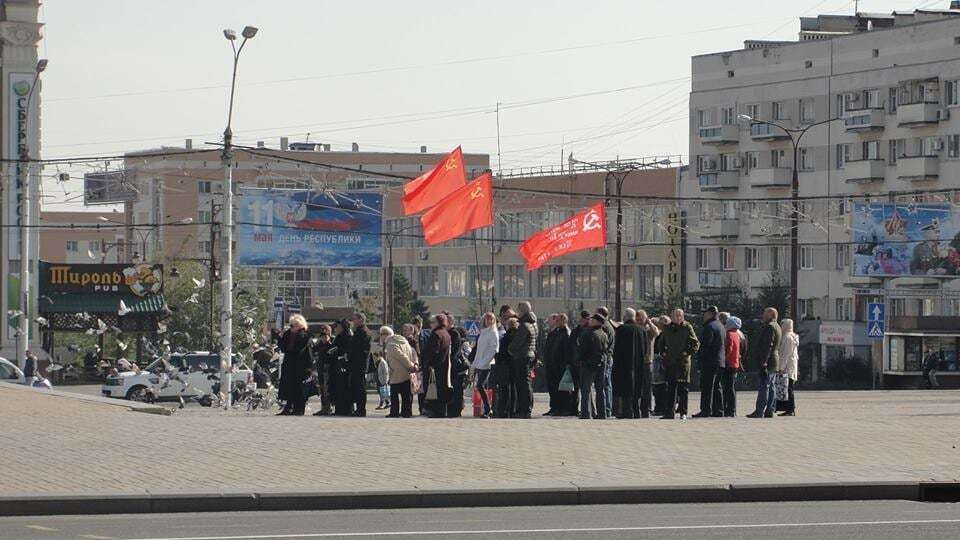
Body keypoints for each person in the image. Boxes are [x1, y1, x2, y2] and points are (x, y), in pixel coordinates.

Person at [660, 309, 699, 420]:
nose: (677, 317)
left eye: (679, 316)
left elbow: (695, 343)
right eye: (675, 315)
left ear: (683, 317)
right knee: (671, 388)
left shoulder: (687, 327)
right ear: (671, 317)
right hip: (670, 362)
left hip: (683, 362)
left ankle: (683, 412)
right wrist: (663, 353)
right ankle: (669, 412)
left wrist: (687, 353)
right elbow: (661, 342)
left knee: (683, 389)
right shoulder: (667, 328)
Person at [276, 315, 314, 416]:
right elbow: (283, 347)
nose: (291, 327)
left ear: (300, 325)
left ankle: (299, 409)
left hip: (301, 365)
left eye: (294, 325)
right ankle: (288, 407)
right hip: (289, 364)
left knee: (300, 388)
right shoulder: (288, 334)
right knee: (288, 386)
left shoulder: (304, 335)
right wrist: (280, 338)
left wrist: (309, 367)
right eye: (291, 325)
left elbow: (307, 352)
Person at [748, 307, 782, 419]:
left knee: (764, 386)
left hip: (768, 360)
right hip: (774, 360)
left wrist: (763, 362)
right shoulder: (777, 326)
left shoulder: (770, 327)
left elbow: (768, 346)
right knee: (771, 386)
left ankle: (759, 411)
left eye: (765, 314)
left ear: (771, 315)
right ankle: (770, 410)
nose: (762, 316)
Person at [612, 308, 645, 419]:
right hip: (639, 364)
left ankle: (627, 412)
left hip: (624, 364)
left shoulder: (622, 329)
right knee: (636, 388)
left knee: (626, 389)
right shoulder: (642, 330)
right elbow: (645, 348)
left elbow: (617, 349)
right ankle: (637, 412)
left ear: (625, 317)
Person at [507, 301, 538, 419]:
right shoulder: (533, 324)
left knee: (523, 384)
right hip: (528, 355)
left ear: (522, 311)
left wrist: (510, 349)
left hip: (522, 356)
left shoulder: (524, 325)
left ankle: (524, 410)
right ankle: (525, 409)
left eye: (518, 310)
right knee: (526, 383)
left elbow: (516, 343)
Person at [694, 306, 724, 418]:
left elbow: (705, 346)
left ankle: (706, 410)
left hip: (709, 362)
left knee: (707, 387)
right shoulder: (721, 326)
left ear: (710, 314)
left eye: (705, 313)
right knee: (717, 386)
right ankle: (719, 410)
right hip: (720, 361)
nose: (703, 315)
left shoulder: (709, 327)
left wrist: (700, 360)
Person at [578, 314, 609, 419]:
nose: (590, 320)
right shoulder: (604, 334)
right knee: (600, 390)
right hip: (601, 364)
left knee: (585, 390)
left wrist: (581, 360)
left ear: (597, 322)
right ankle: (602, 413)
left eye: (592, 319)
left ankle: (585, 413)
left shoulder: (588, 333)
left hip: (588, 365)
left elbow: (582, 349)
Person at [382, 325, 417, 418]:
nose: (381, 338)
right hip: (406, 372)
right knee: (406, 394)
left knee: (394, 394)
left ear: (385, 335)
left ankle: (394, 412)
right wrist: (413, 364)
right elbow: (413, 352)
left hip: (397, 372)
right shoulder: (404, 341)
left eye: (381, 335)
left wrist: (410, 365)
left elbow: (401, 356)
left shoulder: (391, 344)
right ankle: (407, 412)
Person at [422, 313, 453, 417]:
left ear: (439, 322)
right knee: (441, 389)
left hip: (434, 366)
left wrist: (430, 363)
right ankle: (442, 411)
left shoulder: (436, 334)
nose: (431, 324)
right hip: (443, 365)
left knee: (434, 389)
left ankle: (436, 411)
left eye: (433, 322)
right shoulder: (446, 334)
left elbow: (433, 351)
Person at [472, 312, 499, 418]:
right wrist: (474, 364)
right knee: (481, 386)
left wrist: (485, 361)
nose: (488, 321)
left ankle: (488, 409)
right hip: (480, 363)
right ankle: (487, 409)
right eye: (486, 319)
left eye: (491, 319)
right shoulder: (483, 333)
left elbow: (493, 350)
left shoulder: (493, 332)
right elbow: (479, 350)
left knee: (480, 385)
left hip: (487, 364)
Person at [634, 310, 660, 418]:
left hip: (647, 362)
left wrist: (649, 323)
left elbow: (656, 332)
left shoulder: (649, 330)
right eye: (638, 319)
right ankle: (637, 409)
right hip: (636, 362)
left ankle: (647, 409)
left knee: (647, 388)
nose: (639, 321)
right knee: (637, 387)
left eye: (641, 319)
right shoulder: (636, 329)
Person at [543, 313, 569, 416]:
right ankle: (553, 407)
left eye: (558, 320)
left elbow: (566, 350)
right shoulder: (554, 332)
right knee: (552, 387)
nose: (556, 322)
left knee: (561, 389)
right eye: (556, 320)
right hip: (551, 364)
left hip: (560, 365)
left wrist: (566, 364)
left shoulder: (565, 333)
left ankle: (561, 408)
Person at [493, 316, 518, 418]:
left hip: (505, 365)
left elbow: (502, 351)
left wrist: (498, 360)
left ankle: (504, 410)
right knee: (513, 388)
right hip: (514, 364)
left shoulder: (507, 337)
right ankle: (512, 410)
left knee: (505, 389)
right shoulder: (517, 336)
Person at [348, 313, 372, 417]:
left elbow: (360, 349)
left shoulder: (363, 332)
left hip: (359, 364)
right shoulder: (358, 331)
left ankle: (361, 409)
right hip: (356, 364)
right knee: (357, 387)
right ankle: (359, 408)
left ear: (361, 320)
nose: (353, 321)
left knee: (360, 387)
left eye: (355, 319)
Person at [596, 306, 616, 418]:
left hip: (606, 358)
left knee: (605, 384)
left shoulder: (604, 327)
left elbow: (603, 344)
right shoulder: (609, 326)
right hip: (609, 357)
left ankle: (606, 409)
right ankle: (607, 408)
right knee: (607, 384)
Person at [330, 320, 353, 416]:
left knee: (344, 387)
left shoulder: (348, 337)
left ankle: (346, 409)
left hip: (344, 366)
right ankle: (339, 408)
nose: (336, 329)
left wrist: (339, 352)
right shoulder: (338, 337)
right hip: (336, 365)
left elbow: (347, 350)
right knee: (337, 387)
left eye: (338, 326)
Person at [721, 316, 742, 417]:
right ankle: (732, 409)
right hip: (735, 363)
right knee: (731, 387)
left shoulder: (729, 334)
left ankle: (729, 409)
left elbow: (728, 349)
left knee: (727, 387)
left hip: (728, 363)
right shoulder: (737, 334)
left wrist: (723, 358)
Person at [311, 324, 334, 416]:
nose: (323, 333)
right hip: (320, 368)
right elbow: (313, 350)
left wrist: (328, 342)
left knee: (327, 389)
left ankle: (328, 408)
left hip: (328, 368)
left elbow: (333, 351)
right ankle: (323, 407)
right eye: (321, 331)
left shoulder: (332, 340)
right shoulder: (320, 341)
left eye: (325, 330)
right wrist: (320, 342)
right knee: (321, 388)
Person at [447, 326, 470, 417]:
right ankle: (459, 408)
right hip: (462, 369)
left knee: (458, 390)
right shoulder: (463, 342)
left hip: (460, 369)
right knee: (459, 391)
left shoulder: (463, 343)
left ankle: (457, 408)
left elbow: (468, 354)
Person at [778, 318, 799, 416]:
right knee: (788, 387)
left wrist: (781, 367)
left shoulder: (787, 337)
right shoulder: (792, 336)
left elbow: (785, 354)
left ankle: (790, 409)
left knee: (789, 388)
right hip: (791, 365)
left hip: (787, 367)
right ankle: (788, 409)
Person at [650, 315, 669, 417]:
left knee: (661, 387)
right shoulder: (660, 335)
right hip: (659, 362)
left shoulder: (664, 335)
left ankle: (661, 407)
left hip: (661, 362)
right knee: (658, 387)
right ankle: (659, 407)